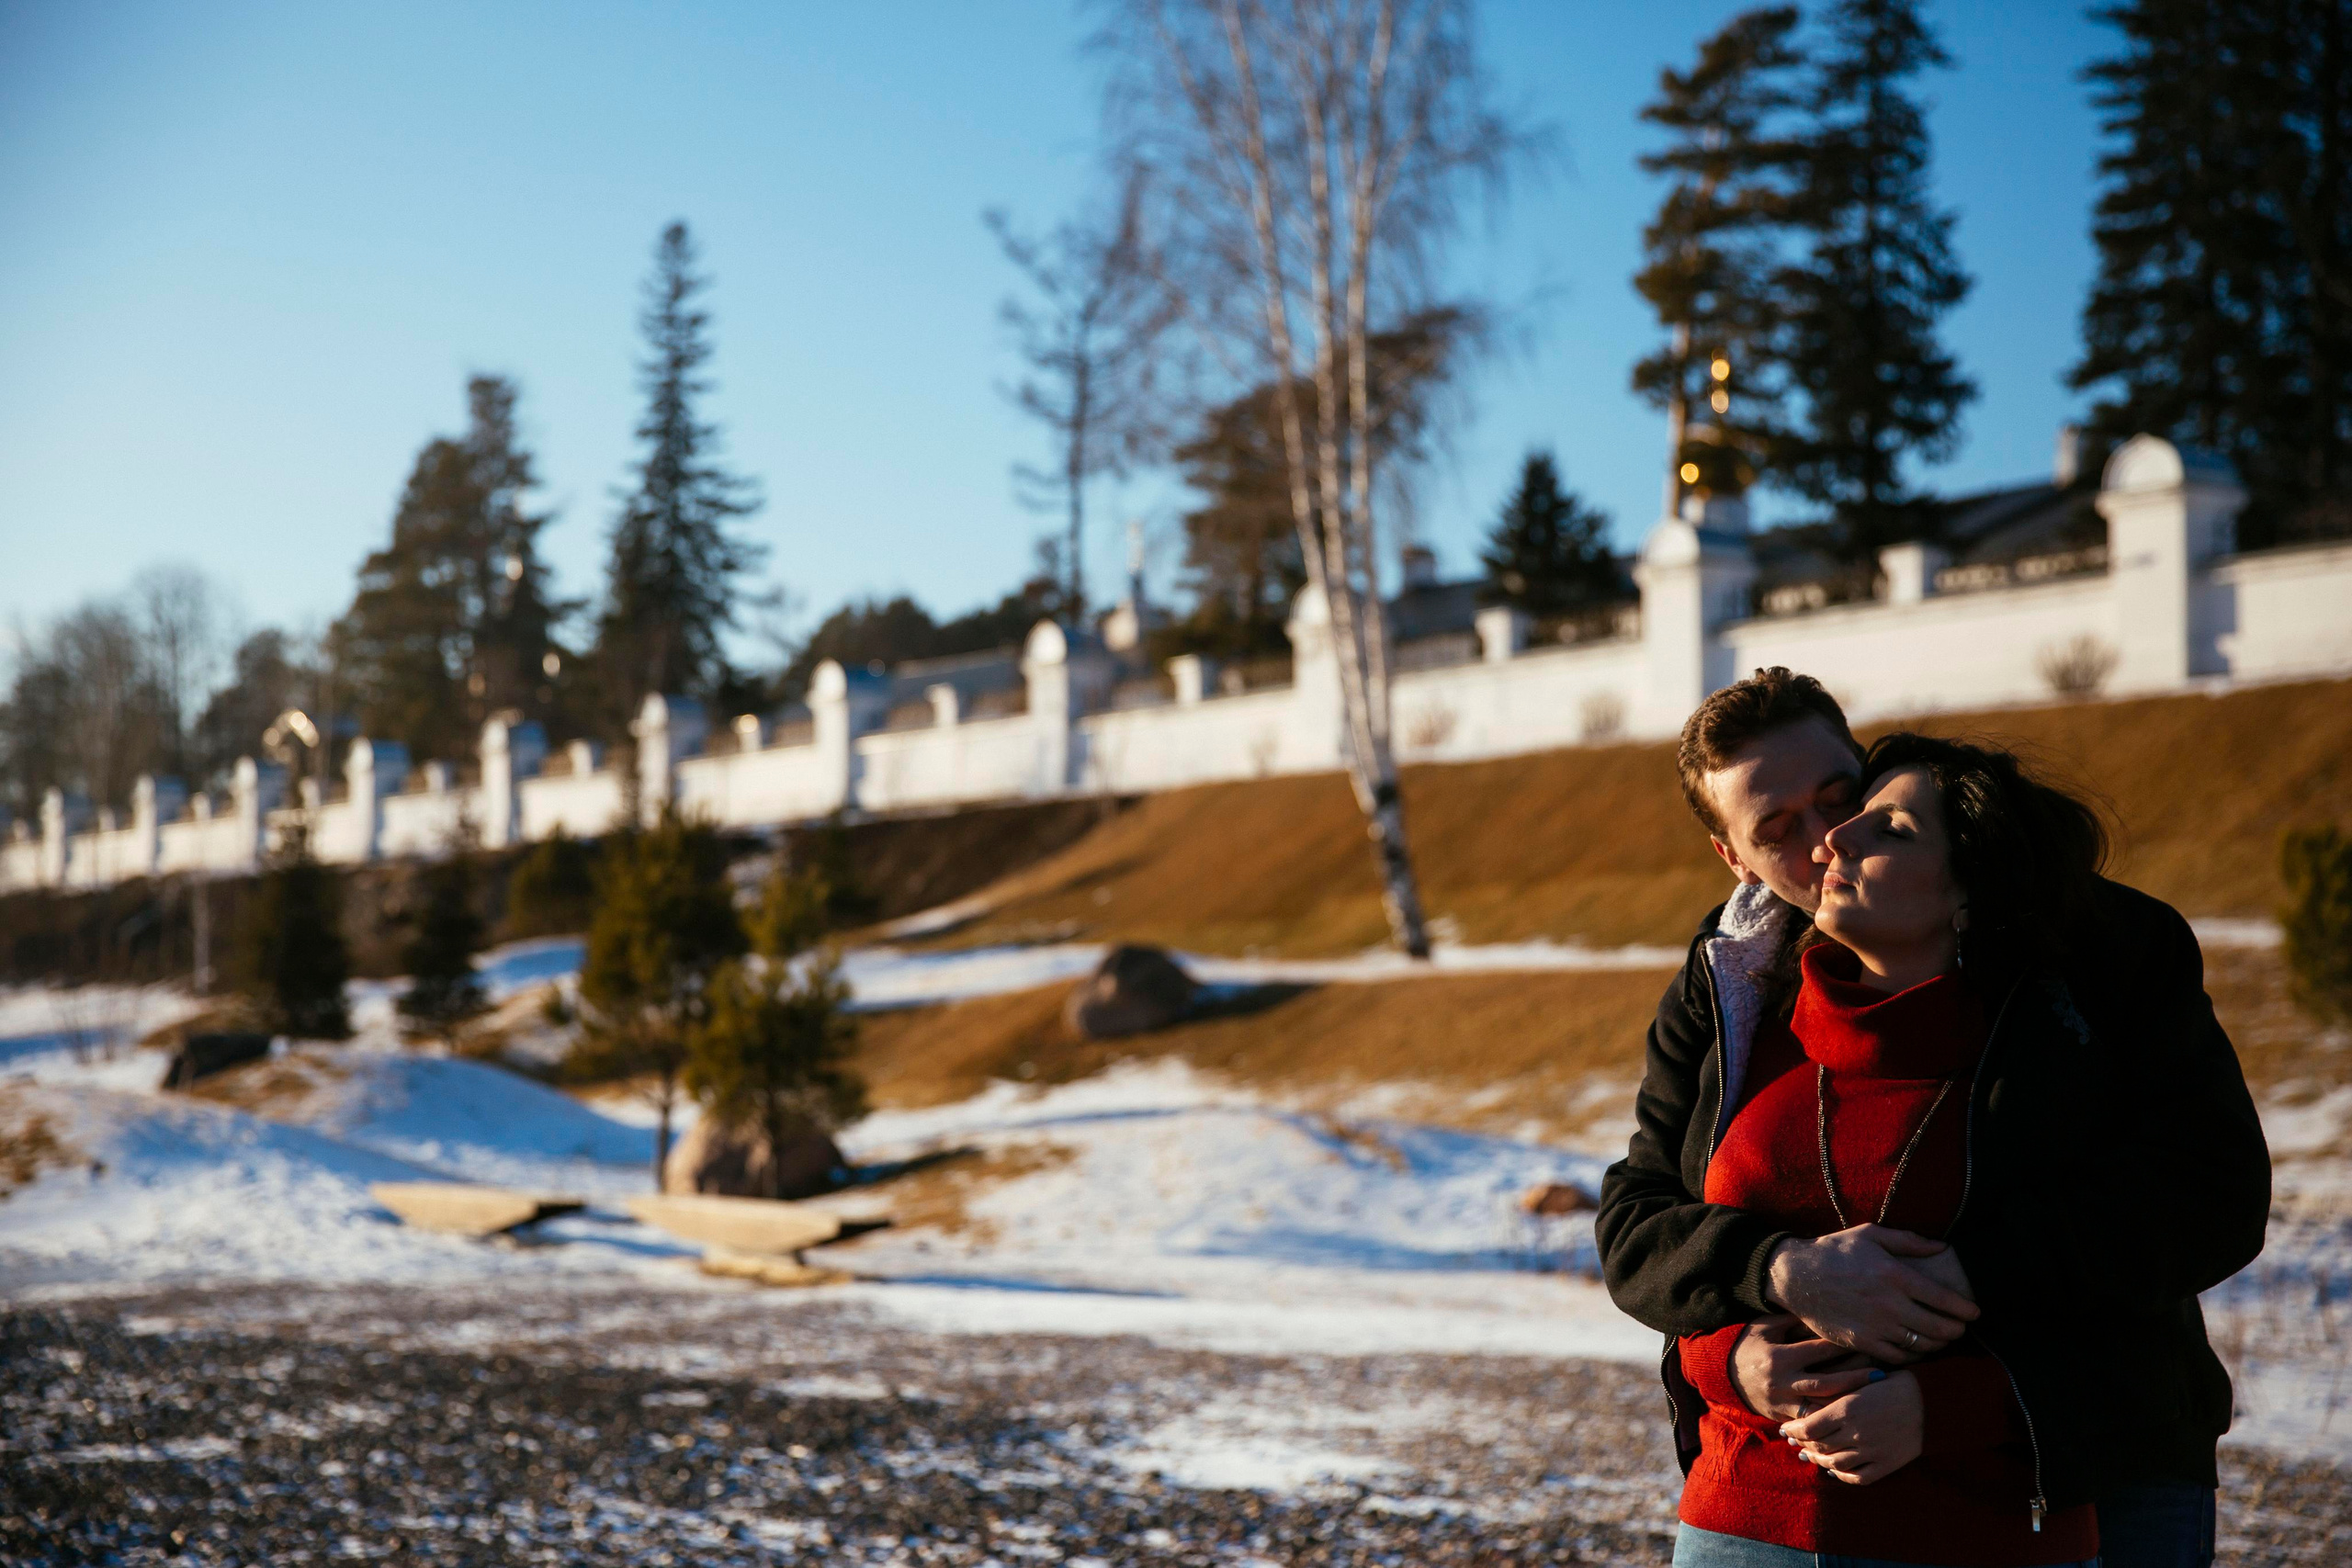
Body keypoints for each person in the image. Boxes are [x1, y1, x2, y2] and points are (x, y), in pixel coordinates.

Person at [1596, 671, 2269, 1568]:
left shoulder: (2095, 947)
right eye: (1775, 828)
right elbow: (1642, 1225)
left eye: (1838, 798)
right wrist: (1770, 1287)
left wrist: (1951, 1287)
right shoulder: (1730, 986)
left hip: (2105, 1461)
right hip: (1770, 1500)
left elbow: (2204, 1197)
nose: (1824, 837)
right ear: (1733, 859)